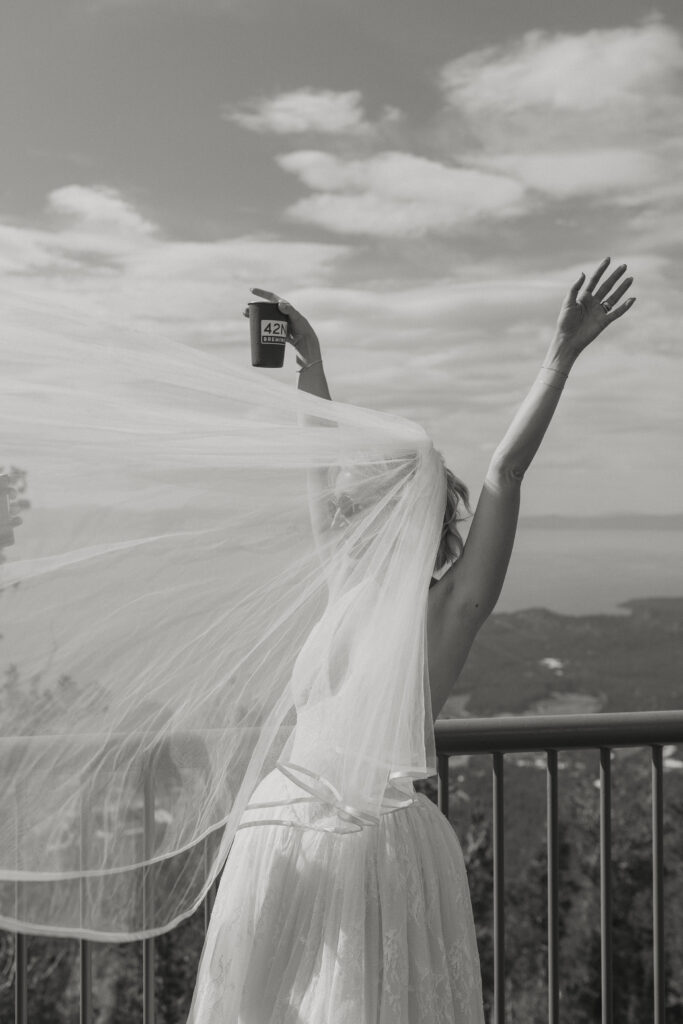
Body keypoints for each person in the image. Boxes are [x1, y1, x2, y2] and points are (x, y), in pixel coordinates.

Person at [185, 258, 636, 1022]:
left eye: (370, 498)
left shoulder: (450, 606)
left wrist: (559, 355)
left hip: (370, 854)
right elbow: (318, 464)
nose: (348, 504)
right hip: (281, 838)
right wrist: (313, 363)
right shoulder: (346, 581)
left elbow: (506, 471)